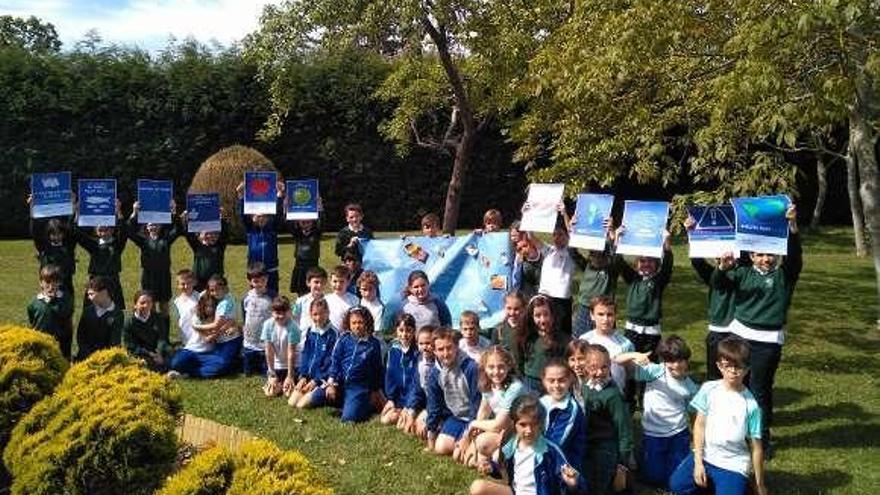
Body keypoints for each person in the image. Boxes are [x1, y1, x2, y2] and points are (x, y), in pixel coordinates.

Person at [717, 204, 800, 455]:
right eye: (760, 254)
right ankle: (735, 433)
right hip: (740, 338)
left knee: (760, 390)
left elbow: (795, 257)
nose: (766, 258)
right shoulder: (741, 273)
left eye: (770, 254)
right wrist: (722, 268)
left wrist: (793, 228)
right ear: (751, 255)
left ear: (777, 255)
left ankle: (761, 440)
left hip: (768, 343)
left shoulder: (785, 275)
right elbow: (720, 284)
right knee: (735, 387)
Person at [668, 336, 767, 495]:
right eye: (728, 366)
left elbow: (756, 447)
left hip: (733, 463)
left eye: (738, 367)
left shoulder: (751, 405)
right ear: (719, 366)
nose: (733, 371)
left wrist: (759, 484)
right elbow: (699, 425)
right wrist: (698, 462)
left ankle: (737, 482)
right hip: (706, 456)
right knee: (677, 485)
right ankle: (712, 482)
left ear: (747, 369)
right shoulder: (709, 389)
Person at [616, 335, 698, 488]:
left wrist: (696, 438)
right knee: (654, 478)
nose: (676, 365)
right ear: (664, 361)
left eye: (680, 360)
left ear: (687, 360)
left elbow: (694, 414)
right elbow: (618, 361)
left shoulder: (691, 387)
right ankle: (645, 460)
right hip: (653, 434)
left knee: (675, 479)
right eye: (670, 361)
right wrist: (635, 355)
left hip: (678, 434)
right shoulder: (655, 372)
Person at [469, 394, 587, 495]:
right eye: (523, 424)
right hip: (516, 491)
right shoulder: (510, 446)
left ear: (541, 424)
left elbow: (572, 483)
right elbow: (506, 470)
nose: (529, 430)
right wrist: (491, 468)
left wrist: (573, 484)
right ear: (514, 424)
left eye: (534, 424)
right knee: (477, 487)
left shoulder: (549, 451)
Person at [616, 225, 673, 408]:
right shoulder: (632, 279)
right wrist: (617, 239)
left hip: (651, 334)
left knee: (648, 366)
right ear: (636, 263)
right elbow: (618, 262)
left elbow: (668, 266)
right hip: (631, 331)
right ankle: (629, 399)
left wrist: (666, 244)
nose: (646, 264)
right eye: (642, 261)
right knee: (630, 365)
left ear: (656, 264)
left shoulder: (658, 282)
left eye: (650, 261)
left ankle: (646, 398)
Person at [684, 215, 743, 381]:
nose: (722, 257)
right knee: (714, 375)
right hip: (717, 332)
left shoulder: (744, 273)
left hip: (739, 331)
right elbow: (697, 261)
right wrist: (692, 234)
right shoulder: (712, 274)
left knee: (737, 373)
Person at [457, 346, 526, 467]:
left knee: (483, 444)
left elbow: (498, 424)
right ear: (484, 367)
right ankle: (489, 459)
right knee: (467, 460)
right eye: (491, 367)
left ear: (508, 367)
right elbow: (484, 411)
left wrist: (472, 425)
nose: (496, 372)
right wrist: (470, 438)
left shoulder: (515, 387)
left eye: (501, 367)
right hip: (501, 430)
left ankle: (498, 459)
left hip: (517, 432)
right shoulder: (488, 382)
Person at [318, 306, 385, 422]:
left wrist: (375, 390)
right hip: (339, 382)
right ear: (349, 323)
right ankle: (345, 402)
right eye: (353, 323)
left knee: (348, 419)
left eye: (360, 322)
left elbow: (377, 369)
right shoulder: (344, 338)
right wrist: (331, 383)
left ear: (367, 323)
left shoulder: (373, 344)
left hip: (358, 387)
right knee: (311, 400)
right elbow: (335, 361)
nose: (357, 326)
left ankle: (364, 404)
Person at [582, 344, 633, 495]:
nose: (599, 372)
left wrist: (623, 459)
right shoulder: (586, 385)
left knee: (601, 483)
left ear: (610, 365)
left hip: (605, 444)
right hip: (588, 440)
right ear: (585, 366)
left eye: (604, 367)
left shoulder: (612, 395)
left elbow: (623, 426)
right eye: (593, 367)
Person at [425, 327, 481, 456]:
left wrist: (468, 434)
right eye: (440, 349)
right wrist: (431, 435)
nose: (445, 353)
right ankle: (459, 441)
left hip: (475, 419)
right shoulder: (435, 373)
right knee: (440, 448)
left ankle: (471, 443)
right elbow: (434, 405)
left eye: (449, 348)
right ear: (434, 351)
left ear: (457, 346)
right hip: (457, 417)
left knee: (460, 454)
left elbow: (476, 404)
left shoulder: (471, 368)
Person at [535, 211, 587, 337]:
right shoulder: (549, 250)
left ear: (567, 237)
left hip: (562, 299)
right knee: (546, 329)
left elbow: (572, 233)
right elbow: (531, 237)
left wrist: (564, 213)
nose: (556, 238)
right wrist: (527, 215)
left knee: (563, 331)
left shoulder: (571, 252)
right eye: (554, 235)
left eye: (560, 235)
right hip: (545, 296)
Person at [126, 200, 180, 315]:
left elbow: (178, 229)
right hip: (148, 276)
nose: (153, 227)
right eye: (150, 225)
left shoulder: (166, 240)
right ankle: (154, 329)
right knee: (150, 304)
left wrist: (174, 213)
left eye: (156, 224)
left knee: (164, 304)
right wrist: (134, 213)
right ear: (146, 227)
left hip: (164, 275)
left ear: (160, 226)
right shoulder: (143, 241)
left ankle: (164, 329)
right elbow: (128, 231)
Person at [74, 199, 127, 309]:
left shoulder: (117, 244)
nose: (103, 233)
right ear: (96, 230)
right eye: (100, 230)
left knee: (115, 311)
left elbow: (124, 231)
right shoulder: (93, 244)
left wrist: (118, 211)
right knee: (91, 312)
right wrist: (77, 212)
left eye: (106, 230)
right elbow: (76, 233)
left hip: (112, 281)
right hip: (95, 281)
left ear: (112, 230)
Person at [570, 218, 619, 336]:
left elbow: (617, 256)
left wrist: (612, 235)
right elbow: (572, 252)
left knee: (604, 340)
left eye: (598, 254)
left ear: (605, 256)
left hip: (603, 311)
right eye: (592, 253)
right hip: (584, 309)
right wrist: (573, 232)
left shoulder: (610, 270)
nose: (594, 257)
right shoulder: (588, 266)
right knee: (580, 340)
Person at [236, 180, 284, 296]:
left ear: (268, 217)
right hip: (255, 269)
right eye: (257, 216)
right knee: (255, 295)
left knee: (273, 295)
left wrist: (279, 195)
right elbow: (242, 215)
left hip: (271, 268)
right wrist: (241, 195)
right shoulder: (251, 230)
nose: (261, 219)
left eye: (264, 216)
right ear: (252, 217)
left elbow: (277, 213)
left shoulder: (272, 229)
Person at [539, 359, 588, 473]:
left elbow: (556, 444)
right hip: (543, 457)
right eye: (551, 381)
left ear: (570, 380)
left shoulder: (571, 409)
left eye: (561, 380)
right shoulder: (542, 402)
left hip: (564, 467)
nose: (556, 385)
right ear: (543, 381)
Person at [579, 295, 634, 393]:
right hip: (589, 395)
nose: (605, 319)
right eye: (600, 314)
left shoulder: (625, 344)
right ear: (592, 315)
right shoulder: (584, 340)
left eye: (609, 314)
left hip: (616, 396)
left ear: (615, 315)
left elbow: (631, 375)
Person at [289, 298, 338, 408]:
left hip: (323, 380)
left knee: (301, 405)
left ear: (328, 313)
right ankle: (308, 389)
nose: (318, 318)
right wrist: (303, 376)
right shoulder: (310, 331)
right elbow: (306, 354)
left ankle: (323, 394)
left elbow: (331, 363)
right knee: (292, 402)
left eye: (322, 314)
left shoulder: (333, 334)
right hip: (309, 377)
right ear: (310, 314)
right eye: (315, 314)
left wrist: (316, 381)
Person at [28, 204, 77, 305]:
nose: (57, 236)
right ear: (49, 235)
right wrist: (32, 206)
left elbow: (71, 227)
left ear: (63, 234)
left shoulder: (68, 246)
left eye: (59, 233)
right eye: (53, 234)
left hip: (66, 285)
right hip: (49, 286)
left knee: (66, 312)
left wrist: (72, 204)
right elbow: (35, 230)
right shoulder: (44, 248)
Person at [168, 292, 225, 378]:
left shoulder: (218, 318)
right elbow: (207, 339)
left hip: (208, 353)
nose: (209, 309)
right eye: (206, 306)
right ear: (202, 306)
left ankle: (187, 374)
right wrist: (218, 332)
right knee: (175, 363)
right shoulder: (196, 318)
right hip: (192, 349)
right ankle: (195, 367)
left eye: (212, 306)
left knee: (221, 365)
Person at [520, 295, 569, 393]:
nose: (542, 320)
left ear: (553, 315)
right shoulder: (526, 336)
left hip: (554, 383)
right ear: (531, 317)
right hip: (531, 383)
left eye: (546, 314)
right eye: (537, 316)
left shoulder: (562, 339)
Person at [27, 264, 74, 359]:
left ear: (60, 283)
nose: (51, 286)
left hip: (61, 344)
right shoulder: (34, 303)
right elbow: (33, 320)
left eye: (55, 282)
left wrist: (52, 300)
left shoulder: (66, 299)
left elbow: (66, 313)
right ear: (41, 283)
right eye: (47, 282)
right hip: (41, 343)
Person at [381, 313, 419, 425]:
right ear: (396, 331)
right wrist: (391, 399)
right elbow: (390, 377)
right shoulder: (392, 350)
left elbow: (416, 384)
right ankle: (401, 412)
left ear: (414, 331)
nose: (404, 334)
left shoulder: (418, 352)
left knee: (401, 425)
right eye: (401, 330)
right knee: (385, 420)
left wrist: (410, 405)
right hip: (398, 399)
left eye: (408, 330)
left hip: (413, 399)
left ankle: (413, 413)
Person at [398, 325, 435, 439]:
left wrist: (427, 414)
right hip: (425, 402)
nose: (424, 347)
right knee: (404, 424)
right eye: (421, 344)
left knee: (420, 428)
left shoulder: (439, 365)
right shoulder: (419, 360)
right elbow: (416, 390)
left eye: (428, 343)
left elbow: (439, 398)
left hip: (437, 407)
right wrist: (411, 411)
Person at [75, 276, 124, 361]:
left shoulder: (117, 314)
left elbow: (115, 340)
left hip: (106, 358)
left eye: (92, 294)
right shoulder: (88, 312)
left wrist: (104, 357)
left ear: (104, 293)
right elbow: (81, 336)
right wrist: (86, 353)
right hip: (85, 357)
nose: (89, 298)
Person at [200, 275, 240, 376]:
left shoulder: (225, 303)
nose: (215, 293)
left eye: (218, 289)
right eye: (212, 290)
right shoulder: (228, 297)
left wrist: (197, 327)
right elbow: (229, 321)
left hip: (230, 340)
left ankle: (194, 371)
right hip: (221, 341)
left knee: (221, 365)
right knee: (220, 362)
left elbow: (216, 325)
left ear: (225, 288)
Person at [122, 290, 171, 372]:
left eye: (149, 302)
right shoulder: (129, 323)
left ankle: (166, 368)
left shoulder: (158, 318)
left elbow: (162, 338)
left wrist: (159, 353)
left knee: (175, 356)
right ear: (135, 305)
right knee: (142, 363)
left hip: (157, 351)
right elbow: (130, 346)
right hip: (141, 353)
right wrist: (149, 353)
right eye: (142, 303)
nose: (146, 305)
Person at [261, 295, 300, 398]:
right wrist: (272, 374)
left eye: (284, 313)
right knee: (270, 393)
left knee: (288, 394)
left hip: (292, 366)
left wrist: (290, 376)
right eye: (277, 313)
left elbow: (291, 353)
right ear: (272, 312)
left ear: (289, 311)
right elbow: (268, 351)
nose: (281, 316)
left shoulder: (293, 327)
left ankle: (285, 383)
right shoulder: (267, 325)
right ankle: (278, 383)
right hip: (276, 366)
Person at [183, 209, 229, 292]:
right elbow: (188, 234)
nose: (210, 236)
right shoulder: (197, 246)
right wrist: (186, 220)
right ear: (200, 235)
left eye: (213, 234)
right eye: (206, 234)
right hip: (199, 282)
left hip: (216, 282)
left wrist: (222, 219)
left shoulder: (219, 246)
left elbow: (225, 233)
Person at [241, 262, 273, 376]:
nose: (259, 284)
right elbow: (244, 315)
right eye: (255, 281)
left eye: (262, 280)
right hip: (249, 341)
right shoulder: (246, 298)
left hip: (265, 343)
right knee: (247, 372)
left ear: (267, 279)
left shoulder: (272, 297)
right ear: (250, 281)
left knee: (265, 372)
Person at [492, 292, 527, 370]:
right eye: (509, 308)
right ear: (504, 308)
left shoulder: (528, 328)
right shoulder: (498, 329)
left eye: (516, 309)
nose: (512, 312)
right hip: (505, 374)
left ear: (523, 309)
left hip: (524, 375)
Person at [289, 219, 321, 295]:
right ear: (298, 222)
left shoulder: (316, 233)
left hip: (312, 264)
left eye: (308, 222)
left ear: (313, 222)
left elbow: (322, 221)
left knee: (313, 288)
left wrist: (320, 209)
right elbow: (289, 222)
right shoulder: (297, 233)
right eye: (303, 222)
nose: (306, 224)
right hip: (300, 265)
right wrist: (287, 209)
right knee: (300, 290)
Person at [292, 266, 328, 332]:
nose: (319, 285)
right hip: (304, 338)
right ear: (308, 283)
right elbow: (294, 318)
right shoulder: (300, 301)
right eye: (316, 282)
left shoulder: (328, 301)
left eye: (322, 282)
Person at [326, 265, 359, 331]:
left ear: (348, 282)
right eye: (335, 281)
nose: (338, 285)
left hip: (346, 335)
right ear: (330, 281)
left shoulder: (354, 300)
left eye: (341, 281)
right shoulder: (326, 299)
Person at [357, 270, 386, 336]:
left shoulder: (379, 307)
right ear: (359, 289)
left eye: (371, 289)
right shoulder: (356, 302)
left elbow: (377, 331)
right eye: (364, 289)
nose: (367, 293)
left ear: (376, 288)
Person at [566, 339, 591, 407]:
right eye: (572, 360)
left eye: (581, 359)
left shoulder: (596, 381)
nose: (577, 365)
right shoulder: (569, 382)